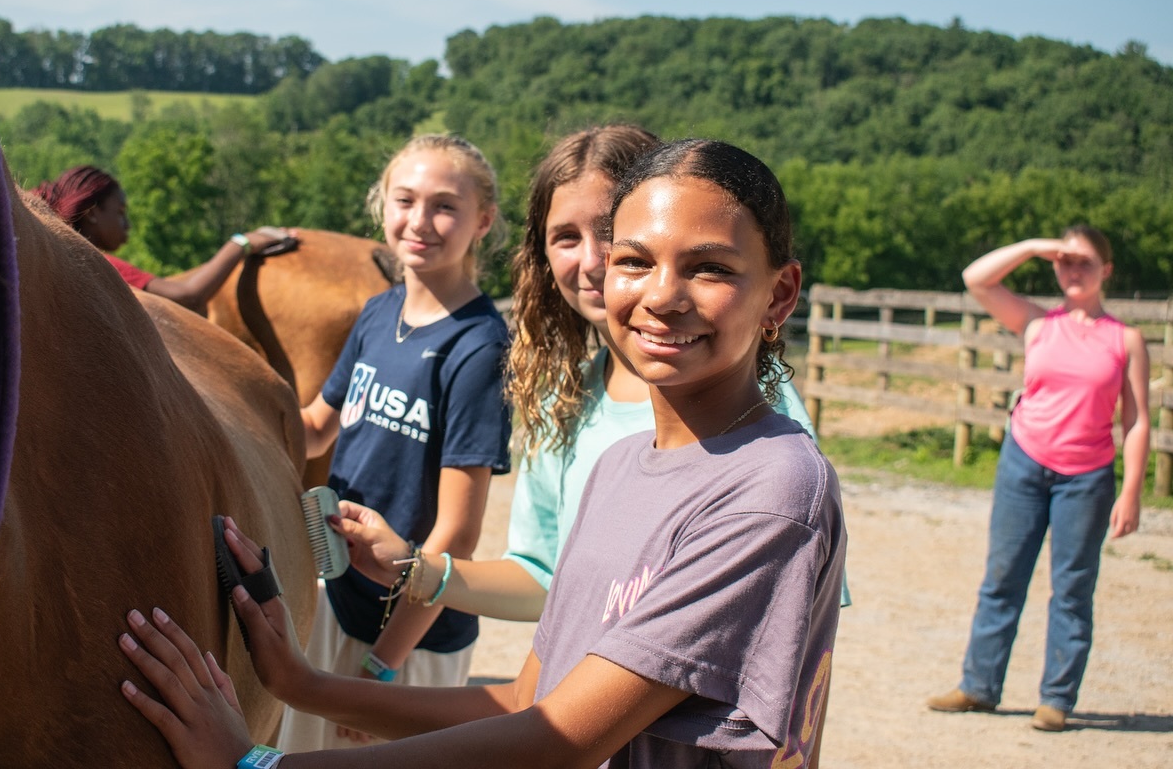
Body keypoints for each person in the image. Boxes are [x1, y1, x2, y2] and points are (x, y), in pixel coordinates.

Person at [118, 138, 847, 769]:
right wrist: (302, 684)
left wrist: (256, 763)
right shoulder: (621, 466)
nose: (661, 295)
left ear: (781, 295)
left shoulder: (769, 492)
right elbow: (534, 696)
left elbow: (555, 744)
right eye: (634, 260)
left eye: (709, 268)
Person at [326, 125, 832, 622]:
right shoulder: (563, 402)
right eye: (566, 237)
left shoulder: (754, 410)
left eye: (612, 235)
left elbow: (786, 616)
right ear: (542, 256)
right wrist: (412, 568)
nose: (593, 261)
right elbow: (545, 577)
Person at [283, 135, 513, 751]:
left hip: (413, 638)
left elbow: (458, 535)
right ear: (382, 207)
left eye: (445, 206)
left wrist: (384, 665)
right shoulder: (378, 312)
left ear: (482, 221)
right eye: (404, 199)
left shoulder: (479, 349)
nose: (419, 221)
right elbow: (314, 428)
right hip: (337, 597)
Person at [928, 227, 1151, 732]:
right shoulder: (1035, 322)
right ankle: (979, 686)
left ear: (1106, 271)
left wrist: (1132, 489)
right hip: (1024, 462)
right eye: (1065, 261)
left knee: (1072, 587)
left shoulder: (1125, 339)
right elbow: (975, 279)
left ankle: (1056, 698)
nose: (1074, 271)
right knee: (1003, 578)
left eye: (1085, 263)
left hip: (1087, 476)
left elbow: (1136, 421)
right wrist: (1033, 247)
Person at [32, 165, 297, 315]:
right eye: (120, 213)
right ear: (92, 213)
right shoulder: (95, 263)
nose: (128, 225)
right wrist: (242, 243)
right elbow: (188, 296)